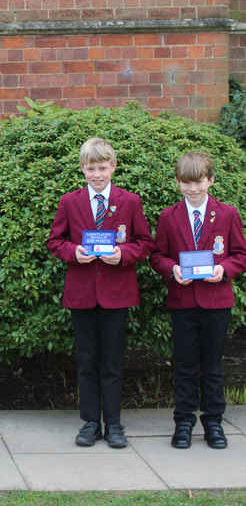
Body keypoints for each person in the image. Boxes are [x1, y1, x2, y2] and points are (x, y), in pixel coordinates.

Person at [46, 137, 153, 449]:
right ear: (82, 169)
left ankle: (115, 423)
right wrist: (73, 251)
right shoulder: (70, 202)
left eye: (102, 168)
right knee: (87, 360)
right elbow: (55, 240)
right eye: (91, 168)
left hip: (116, 293)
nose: (97, 174)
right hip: (82, 294)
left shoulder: (129, 201)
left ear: (113, 167)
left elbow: (145, 242)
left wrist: (124, 255)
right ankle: (91, 422)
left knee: (112, 362)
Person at [149, 152, 246, 450]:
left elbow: (240, 255)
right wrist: (173, 269)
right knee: (185, 365)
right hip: (183, 302)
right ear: (178, 183)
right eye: (187, 183)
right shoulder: (168, 216)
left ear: (211, 181)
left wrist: (224, 270)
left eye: (199, 182)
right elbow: (157, 256)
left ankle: (214, 422)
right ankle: (184, 422)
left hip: (216, 302)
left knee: (213, 365)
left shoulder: (227, 214)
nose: (193, 189)